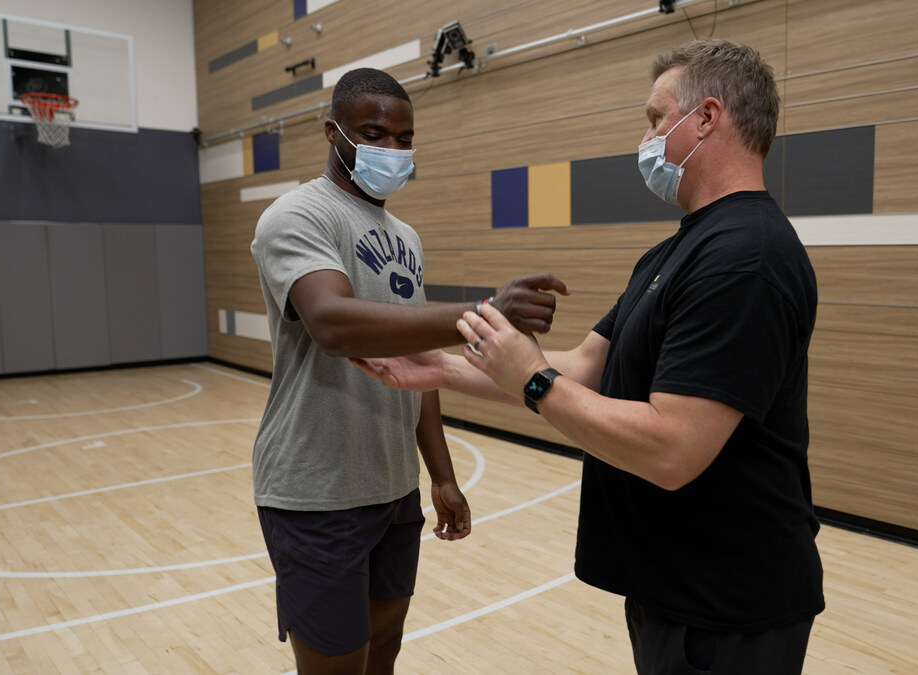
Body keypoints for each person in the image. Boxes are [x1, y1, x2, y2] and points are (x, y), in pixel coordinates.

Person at [354, 39, 823, 673]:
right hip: (673, 590)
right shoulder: (675, 252)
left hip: (728, 606)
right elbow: (586, 369)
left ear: (707, 118)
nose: (647, 137)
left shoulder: (746, 257)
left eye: (657, 119)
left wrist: (534, 379)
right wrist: (439, 369)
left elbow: (673, 448)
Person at [249, 67, 567, 674]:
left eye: (404, 138)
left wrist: (441, 477)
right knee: (338, 662)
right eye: (374, 134)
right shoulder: (296, 217)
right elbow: (334, 324)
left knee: (386, 646)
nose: (392, 150)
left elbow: (419, 368)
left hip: (392, 490)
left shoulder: (407, 238)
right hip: (316, 490)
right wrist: (482, 315)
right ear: (332, 132)